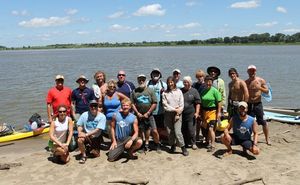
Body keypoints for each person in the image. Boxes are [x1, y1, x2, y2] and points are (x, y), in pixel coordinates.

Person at [131, 74, 161, 152]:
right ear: (137, 80)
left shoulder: (150, 90)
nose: (141, 81)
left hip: (149, 115)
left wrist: (148, 112)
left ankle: (157, 144)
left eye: (143, 79)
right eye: (140, 79)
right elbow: (132, 103)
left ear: (145, 80)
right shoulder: (134, 91)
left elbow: (154, 103)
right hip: (139, 115)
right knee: (141, 131)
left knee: (154, 130)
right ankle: (143, 145)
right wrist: (137, 113)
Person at [162, 76, 188, 156]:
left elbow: (181, 104)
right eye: (169, 82)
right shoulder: (164, 93)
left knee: (177, 132)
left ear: (174, 82)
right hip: (168, 114)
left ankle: (183, 147)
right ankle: (173, 146)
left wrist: (178, 112)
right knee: (170, 132)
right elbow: (165, 105)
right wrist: (174, 109)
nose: (170, 84)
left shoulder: (179, 91)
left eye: (171, 82)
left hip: (178, 114)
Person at [245, 65, 270, 145]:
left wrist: (259, 88)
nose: (252, 72)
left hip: (258, 104)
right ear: (247, 72)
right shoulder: (246, 82)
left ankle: (267, 139)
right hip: (249, 104)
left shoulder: (261, 80)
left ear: (255, 71)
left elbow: (267, 91)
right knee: (248, 122)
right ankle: (248, 138)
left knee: (263, 122)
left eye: (253, 71)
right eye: (250, 71)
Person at [200, 76, 222, 152]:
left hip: (213, 111)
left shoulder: (215, 91)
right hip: (205, 112)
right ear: (205, 82)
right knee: (205, 128)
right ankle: (208, 142)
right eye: (207, 81)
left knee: (211, 128)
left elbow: (219, 102)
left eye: (210, 82)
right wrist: (201, 114)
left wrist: (219, 112)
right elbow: (201, 103)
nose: (208, 83)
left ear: (212, 83)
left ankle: (213, 145)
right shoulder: (203, 91)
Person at [181, 76, 201, 150]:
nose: (185, 83)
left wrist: (197, 112)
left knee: (191, 129)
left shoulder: (194, 91)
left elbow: (198, 103)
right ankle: (185, 143)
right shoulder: (180, 91)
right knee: (183, 129)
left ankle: (193, 143)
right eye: (184, 82)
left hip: (191, 114)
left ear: (190, 83)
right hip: (182, 114)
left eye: (187, 82)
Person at [192, 69, 206, 141]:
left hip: (204, 105)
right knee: (197, 121)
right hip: (196, 105)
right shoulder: (194, 85)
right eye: (198, 76)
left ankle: (204, 135)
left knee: (204, 121)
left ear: (203, 76)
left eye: (201, 76)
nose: (200, 78)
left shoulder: (206, 85)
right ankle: (197, 135)